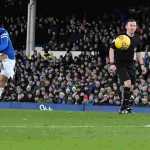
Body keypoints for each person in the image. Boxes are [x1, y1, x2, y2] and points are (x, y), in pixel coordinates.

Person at [109, 19, 146, 114]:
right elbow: (111, 49)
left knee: (132, 87)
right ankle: (123, 108)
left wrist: (142, 65)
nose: (132, 27)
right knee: (127, 83)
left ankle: (127, 107)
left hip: (131, 64)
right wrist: (112, 63)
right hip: (120, 64)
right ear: (126, 26)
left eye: (134, 25)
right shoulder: (120, 37)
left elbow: (138, 54)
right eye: (130, 25)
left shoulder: (137, 39)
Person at [0, 26, 15, 98]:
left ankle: (14, 77)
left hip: (9, 58)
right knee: (2, 80)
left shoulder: (3, 32)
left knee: (3, 80)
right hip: (3, 59)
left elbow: (4, 45)